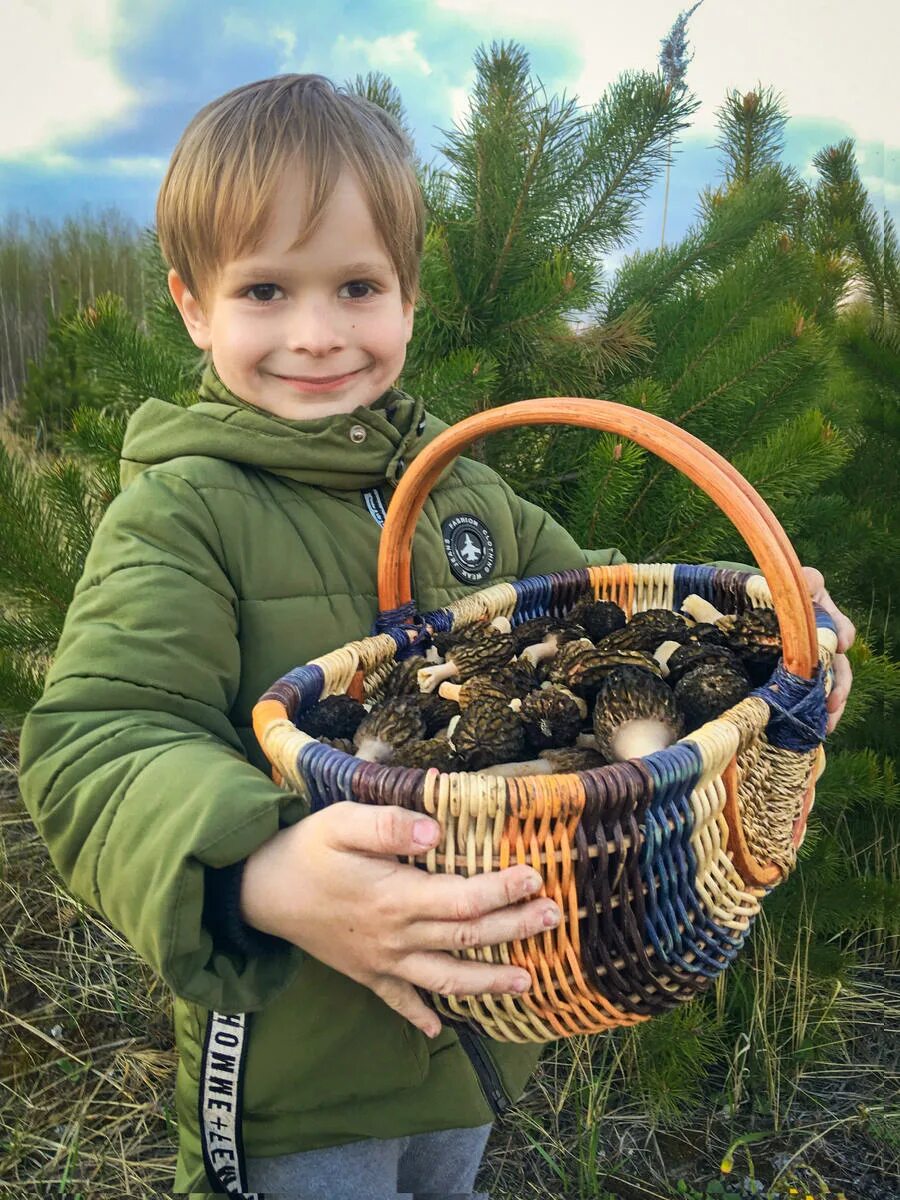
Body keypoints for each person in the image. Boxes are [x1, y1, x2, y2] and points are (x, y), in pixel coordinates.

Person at [17, 74, 855, 1199]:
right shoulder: (183, 513)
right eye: (264, 290)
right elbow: (95, 742)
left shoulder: (469, 499)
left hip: (476, 1044)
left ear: (409, 298)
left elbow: (616, 625)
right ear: (192, 305)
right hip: (290, 1074)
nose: (316, 334)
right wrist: (263, 873)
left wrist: (776, 653)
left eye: (357, 286)